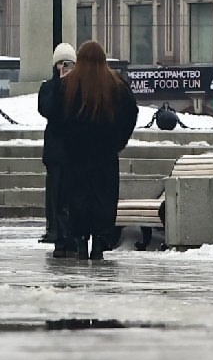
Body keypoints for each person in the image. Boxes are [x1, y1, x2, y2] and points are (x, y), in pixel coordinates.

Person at [44, 40, 139, 257]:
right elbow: (130, 114)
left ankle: (80, 241)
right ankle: (99, 242)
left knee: (78, 198)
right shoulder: (116, 85)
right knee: (103, 198)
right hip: (105, 155)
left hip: (75, 155)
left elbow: (55, 115)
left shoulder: (68, 85)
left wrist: (67, 140)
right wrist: (118, 142)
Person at [35, 44, 76, 244]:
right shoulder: (48, 87)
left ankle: (69, 228)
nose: (65, 67)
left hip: (74, 148)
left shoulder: (80, 86)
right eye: (61, 63)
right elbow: (47, 109)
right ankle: (53, 228)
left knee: (70, 192)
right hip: (55, 149)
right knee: (54, 191)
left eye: (69, 63)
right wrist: (60, 86)